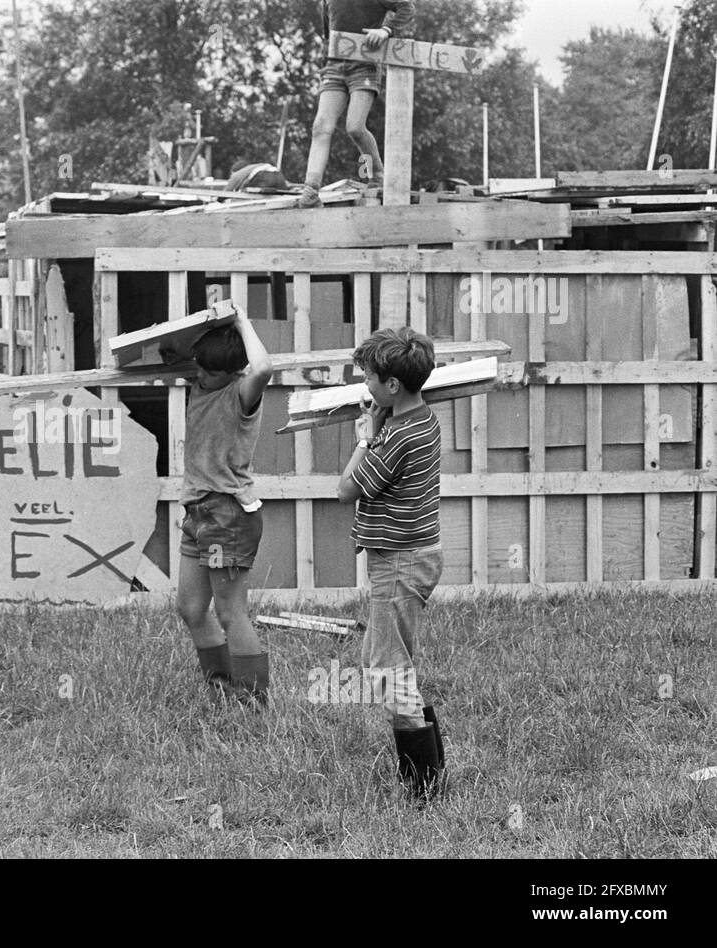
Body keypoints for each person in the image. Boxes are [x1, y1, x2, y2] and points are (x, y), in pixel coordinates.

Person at [336, 326, 444, 802]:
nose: (365, 385)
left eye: (370, 377)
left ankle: (425, 789)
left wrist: (364, 437)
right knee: (393, 662)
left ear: (393, 385)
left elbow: (347, 489)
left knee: (387, 669)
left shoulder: (396, 435)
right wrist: (380, 429)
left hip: (400, 563)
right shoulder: (425, 420)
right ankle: (426, 776)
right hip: (412, 557)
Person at [175, 309, 274, 708]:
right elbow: (169, 352)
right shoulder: (202, 380)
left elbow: (264, 367)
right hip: (197, 512)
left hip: (228, 514)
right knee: (190, 608)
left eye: (213, 372)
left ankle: (254, 700)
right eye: (200, 367)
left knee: (231, 612)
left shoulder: (241, 392)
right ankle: (222, 689)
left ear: (233, 372)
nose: (203, 376)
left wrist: (242, 321)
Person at [299, 0, 416, 208]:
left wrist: (385, 30)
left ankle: (377, 173)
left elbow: (407, 7)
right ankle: (310, 190)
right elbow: (330, 34)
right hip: (335, 65)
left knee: (354, 127)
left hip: (364, 65)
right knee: (320, 127)